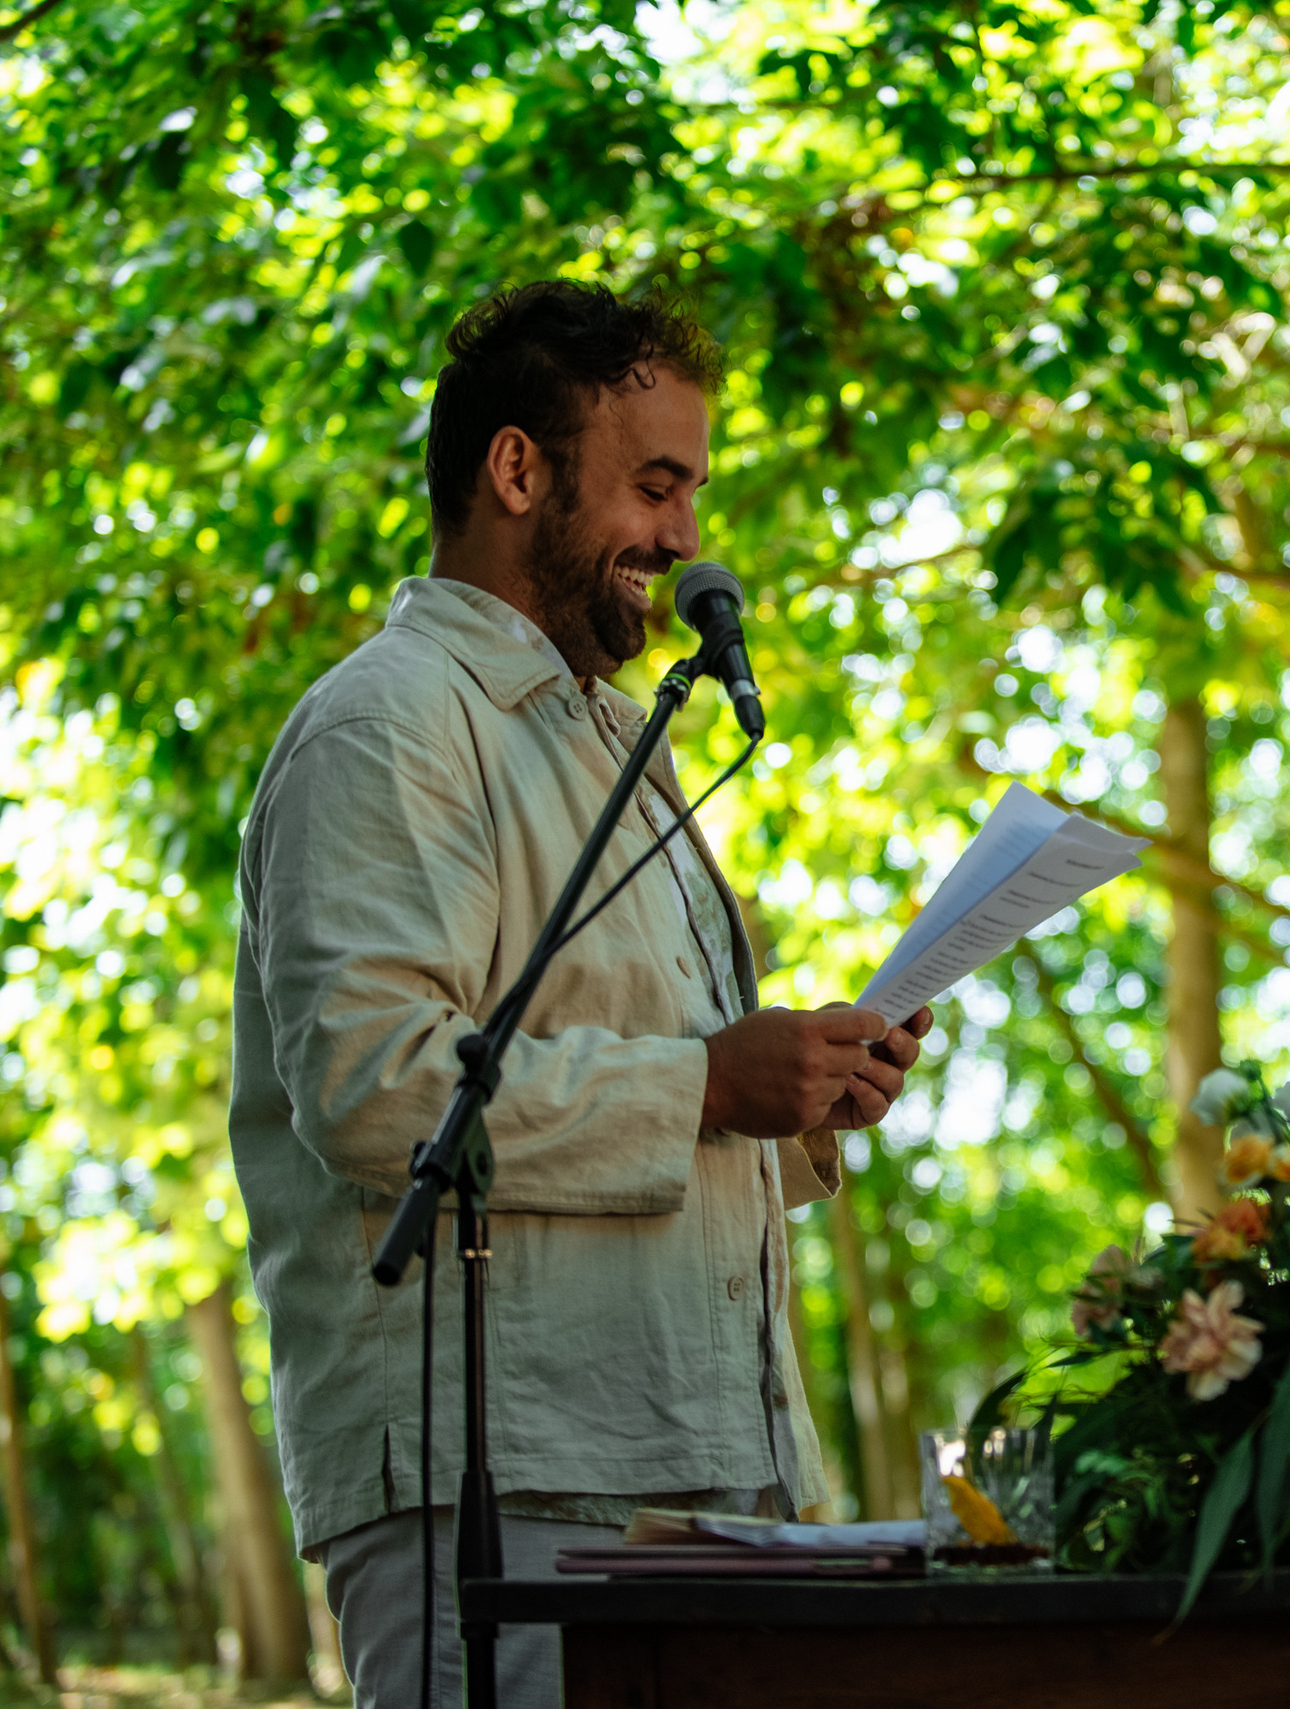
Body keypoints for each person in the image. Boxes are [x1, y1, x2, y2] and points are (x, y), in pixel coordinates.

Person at [229, 280, 931, 1708]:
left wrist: (804, 1091)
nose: (683, 542)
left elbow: (660, 1089)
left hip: (699, 1468)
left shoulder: (622, 737)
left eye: (693, 493)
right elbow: (378, 1091)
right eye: (656, 486)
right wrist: (710, 1082)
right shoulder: (389, 724)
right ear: (517, 468)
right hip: (504, 1483)